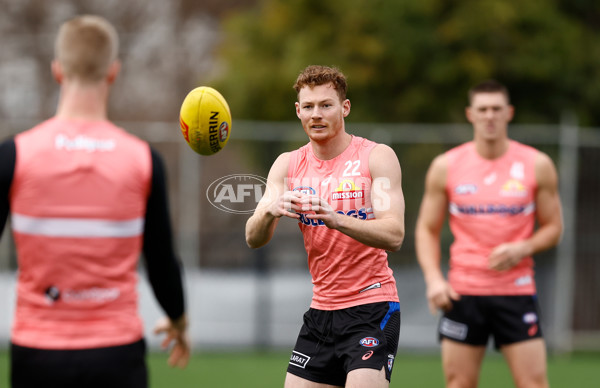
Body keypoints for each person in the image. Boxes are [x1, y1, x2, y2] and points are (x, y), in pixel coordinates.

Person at [0, 15, 190, 388]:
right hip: (116, 355)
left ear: (57, 70)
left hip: (37, 356)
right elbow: (162, 262)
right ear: (113, 72)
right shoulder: (143, 161)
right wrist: (179, 322)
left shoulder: (15, 155)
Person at [245, 65, 405, 388]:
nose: (316, 115)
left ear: (344, 108)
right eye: (308, 107)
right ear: (298, 111)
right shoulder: (288, 165)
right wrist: (269, 212)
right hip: (321, 312)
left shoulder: (376, 157)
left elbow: (394, 235)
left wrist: (336, 219)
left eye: (325, 105)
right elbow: (253, 237)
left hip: (371, 308)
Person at [415, 80, 563, 388]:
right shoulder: (446, 166)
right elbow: (427, 229)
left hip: (517, 291)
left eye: (497, 108)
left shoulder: (537, 164)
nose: (490, 116)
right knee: (459, 383)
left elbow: (554, 229)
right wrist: (433, 279)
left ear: (509, 113)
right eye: (483, 109)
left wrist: (522, 248)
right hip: (464, 292)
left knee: (534, 383)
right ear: (471, 114)